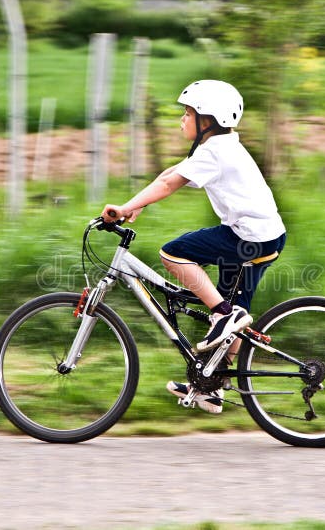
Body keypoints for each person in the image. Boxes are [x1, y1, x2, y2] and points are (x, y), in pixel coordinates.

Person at [101, 80, 286, 414]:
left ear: (208, 119)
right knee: (236, 315)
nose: (182, 120)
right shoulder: (221, 144)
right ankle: (212, 387)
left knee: (173, 253)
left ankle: (221, 314)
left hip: (248, 238)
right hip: (263, 236)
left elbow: (171, 183)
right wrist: (137, 203)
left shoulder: (215, 151)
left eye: (188, 113)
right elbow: (172, 172)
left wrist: (125, 207)